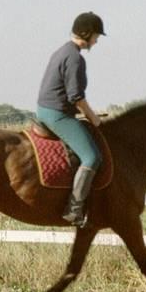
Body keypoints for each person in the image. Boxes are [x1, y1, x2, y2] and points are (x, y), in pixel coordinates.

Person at [36, 12, 105, 227]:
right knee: (92, 157)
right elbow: (76, 96)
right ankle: (74, 210)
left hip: (46, 109)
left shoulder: (62, 51)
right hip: (57, 114)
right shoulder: (75, 58)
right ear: (86, 33)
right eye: (96, 35)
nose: (97, 40)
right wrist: (94, 118)